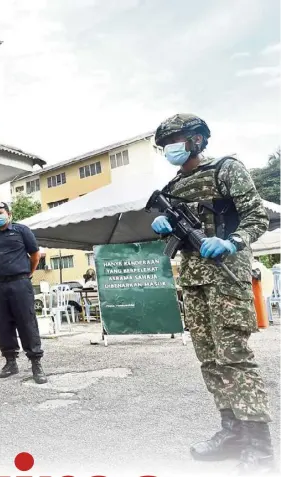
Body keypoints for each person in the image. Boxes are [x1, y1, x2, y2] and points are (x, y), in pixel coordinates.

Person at [151, 113, 275, 474]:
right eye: (166, 143)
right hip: (193, 279)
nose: (171, 148)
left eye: (177, 139)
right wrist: (163, 226)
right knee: (209, 358)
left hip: (226, 275)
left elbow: (256, 216)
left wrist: (232, 241)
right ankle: (231, 432)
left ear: (197, 140)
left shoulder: (227, 169)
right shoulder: (174, 184)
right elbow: (176, 230)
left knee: (234, 355)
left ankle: (259, 444)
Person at [0, 201, 47, 383]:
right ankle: (11, 362)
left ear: (9, 215)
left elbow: (35, 255)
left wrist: (27, 273)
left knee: (27, 321)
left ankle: (36, 363)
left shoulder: (21, 231)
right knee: (3, 323)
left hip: (20, 283)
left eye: (0, 212)